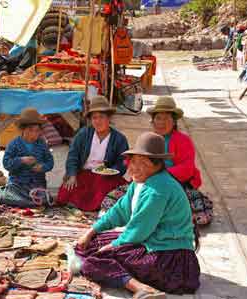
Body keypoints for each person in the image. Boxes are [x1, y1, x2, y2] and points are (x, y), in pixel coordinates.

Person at [68, 132, 200, 298]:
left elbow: (140, 229)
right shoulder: (141, 181)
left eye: (142, 163)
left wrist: (114, 245)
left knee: (93, 262)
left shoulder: (157, 190)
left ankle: (140, 288)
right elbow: (120, 211)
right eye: (133, 161)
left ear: (157, 165)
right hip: (152, 241)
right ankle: (135, 281)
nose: (133, 168)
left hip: (169, 258)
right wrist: (91, 231)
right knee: (90, 245)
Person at [103, 96, 213, 225]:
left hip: (174, 185)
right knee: (111, 201)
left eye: (166, 118)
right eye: (158, 118)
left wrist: (160, 176)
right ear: (153, 121)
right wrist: (137, 170)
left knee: (199, 214)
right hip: (146, 182)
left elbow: (187, 168)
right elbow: (132, 161)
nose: (161, 122)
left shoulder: (183, 140)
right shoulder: (148, 139)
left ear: (174, 121)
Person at [57, 96, 129, 211]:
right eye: (94, 118)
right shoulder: (83, 134)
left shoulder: (119, 139)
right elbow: (73, 155)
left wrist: (111, 171)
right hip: (84, 173)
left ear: (109, 118)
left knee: (104, 191)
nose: (98, 121)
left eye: (101, 117)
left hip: (106, 177)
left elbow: (124, 162)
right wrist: (72, 175)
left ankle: (96, 205)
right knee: (66, 192)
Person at [0, 107, 54, 207]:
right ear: (22, 129)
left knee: (45, 199)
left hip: (37, 184)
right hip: (18, 184)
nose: (34, 134)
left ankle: (29, 201)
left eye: (37, 131)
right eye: (30, 130)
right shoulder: (14, 144)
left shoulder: (42, 144)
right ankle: (3, 193)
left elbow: (50, 162)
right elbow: (6, 163)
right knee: (9, 197)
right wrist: (21, 160)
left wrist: (42, 167)